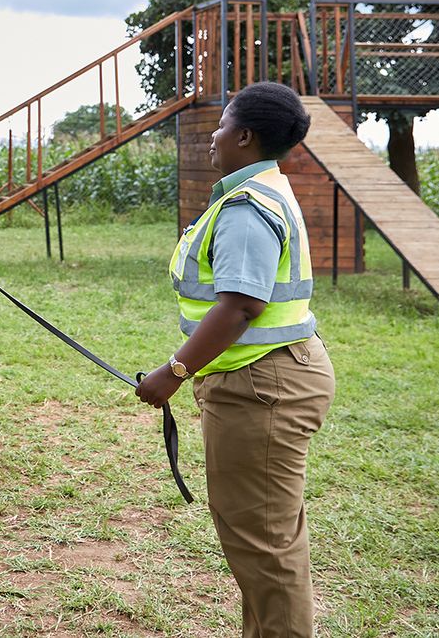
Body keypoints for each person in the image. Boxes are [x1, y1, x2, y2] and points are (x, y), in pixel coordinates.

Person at [136, 82, 335, 638]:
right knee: (260, 536)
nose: (212, 138)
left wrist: (173, 374)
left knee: (264, 544)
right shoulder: (262, 189)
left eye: (222, 126)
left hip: (264, 386)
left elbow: (241, 306)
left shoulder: (248, 206)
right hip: (267, 378)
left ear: (245, 136)